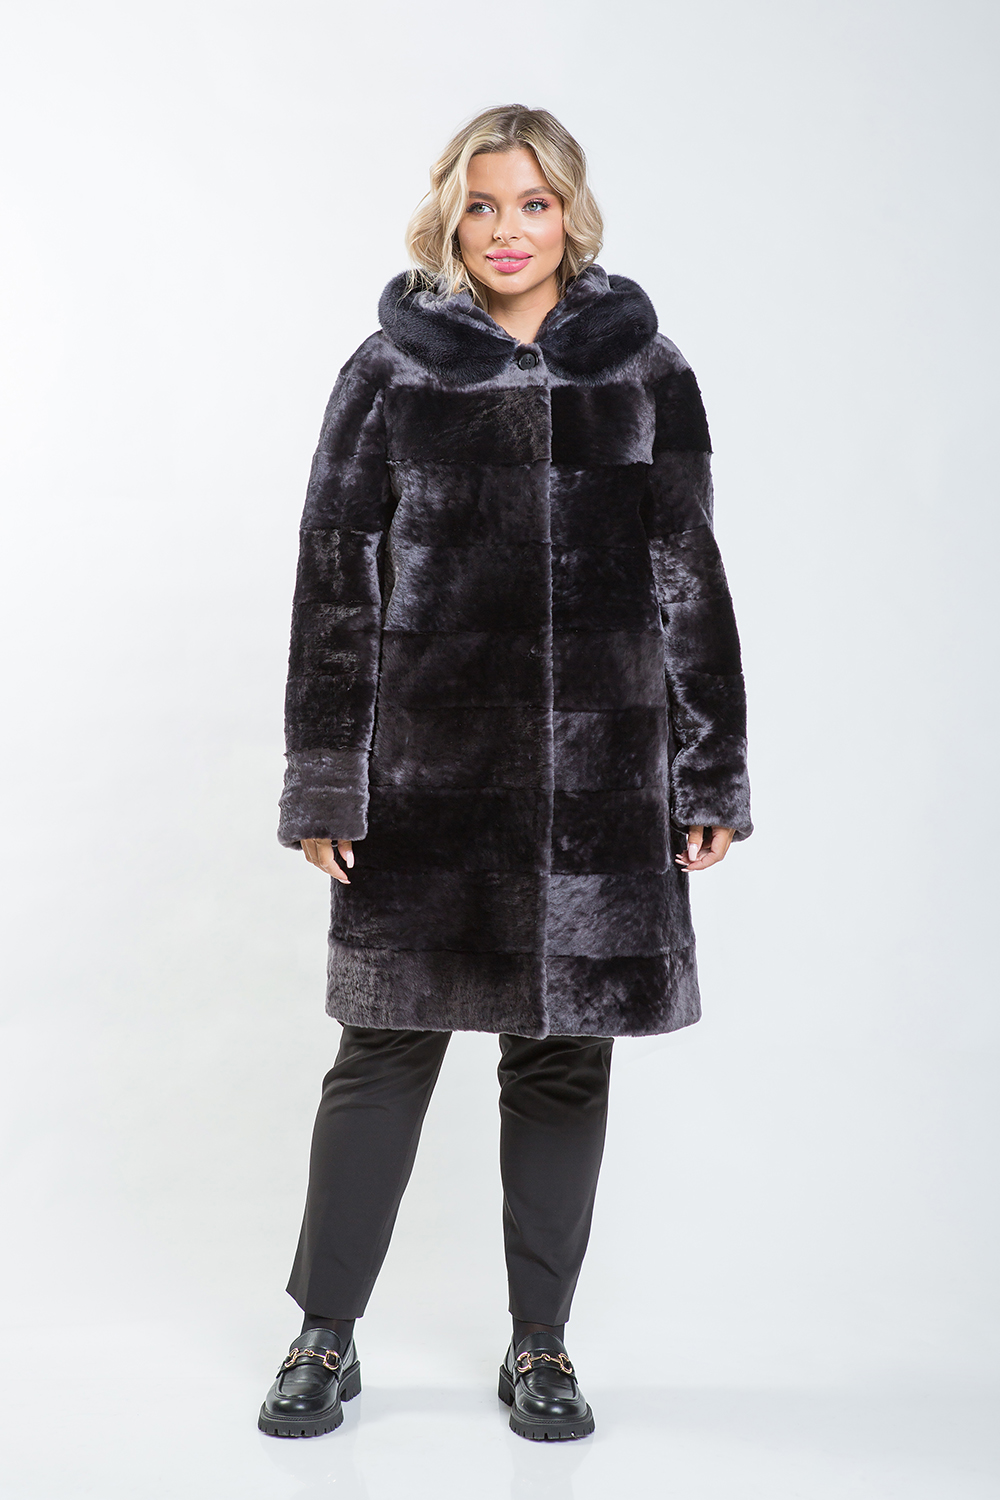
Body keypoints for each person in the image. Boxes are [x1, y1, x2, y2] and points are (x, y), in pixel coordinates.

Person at [258, 103, 752, 1443]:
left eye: (533, 203)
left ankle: (541, 1345)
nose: (507, 230)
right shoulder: (390, 372)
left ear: (571, 213)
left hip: (599, 783)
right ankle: (323, 1335)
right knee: (382, 1050)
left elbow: (690, 574)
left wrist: (708, 772)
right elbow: (334, 577)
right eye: (482, 204)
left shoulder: (646, 371)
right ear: (450, 215)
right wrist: (327, 777)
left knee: (563, 1060)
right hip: (426, 776)